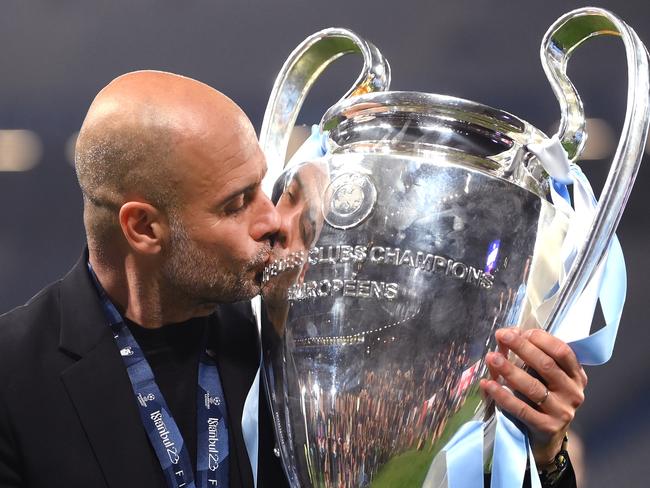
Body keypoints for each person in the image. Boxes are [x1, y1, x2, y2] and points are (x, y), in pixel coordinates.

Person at [0, 70, 584, 487]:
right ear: (144, 228)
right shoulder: (12, 378)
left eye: (266, 186)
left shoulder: (311, 333)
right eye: (236, 205)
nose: (274, 220)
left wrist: (547, 452)